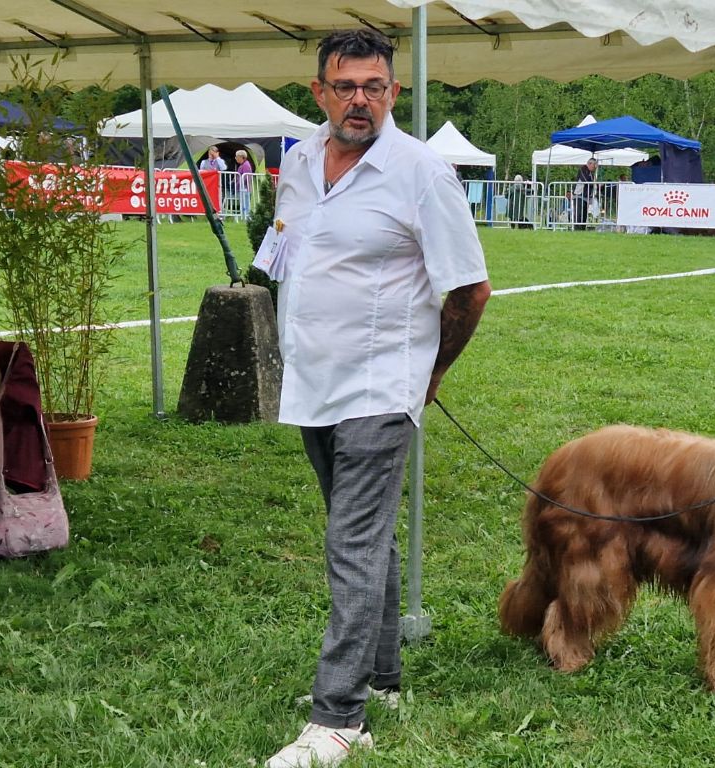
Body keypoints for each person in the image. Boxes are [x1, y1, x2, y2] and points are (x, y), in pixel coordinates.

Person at [265, 28, 490, 768]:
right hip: (314, 380)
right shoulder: (296, 163)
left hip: (380, 383)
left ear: (394, 92)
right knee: (360, 534)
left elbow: (470, 288)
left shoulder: (422, 171)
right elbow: (290, 250)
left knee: (350, 543)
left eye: (375, 87)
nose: (360, 100)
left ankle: (339, 718)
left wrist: (429, 373)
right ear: (319, 92)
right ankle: (383, 678)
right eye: (345, 86)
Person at [573, 157, 597, 229]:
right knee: (578, 214)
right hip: (579, 195)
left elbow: (592, 184)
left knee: (584, 214)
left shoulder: (591, 173)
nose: (595, 167)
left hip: (586, 196)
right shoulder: (582, 169)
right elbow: (585, 180)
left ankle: (583, 229)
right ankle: (577, 229)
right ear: (589, 164)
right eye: (594, 165)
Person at [235, 149, 254, 219]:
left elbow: (246, 177)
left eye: (237, 157)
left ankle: (247, 217)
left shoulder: (246, 165)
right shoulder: (243, 165)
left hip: (245, 188)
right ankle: (244, 217)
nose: (236, 158)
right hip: (243, 188)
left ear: (241, 157)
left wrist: (239, 183)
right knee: (243, 203)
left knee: (246, 204)